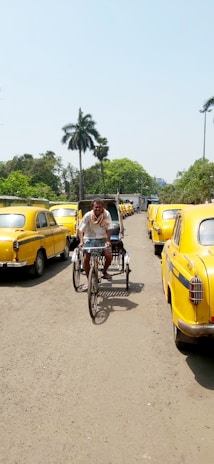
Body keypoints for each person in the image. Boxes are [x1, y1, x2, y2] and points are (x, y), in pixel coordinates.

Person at [78, 199, 113, 286]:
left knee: (109, 256)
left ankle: (104, 271)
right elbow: (81, 229)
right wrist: (81, 242)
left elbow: (109, 228)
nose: (97, 209)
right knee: (86, 259)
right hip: (89, 239)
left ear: (102, 208)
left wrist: (108, 240)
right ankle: (88, 280)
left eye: (99, 207)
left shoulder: (106, 214)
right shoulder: (88, 215)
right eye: (96, 207)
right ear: (93, 207)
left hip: (102, 238)